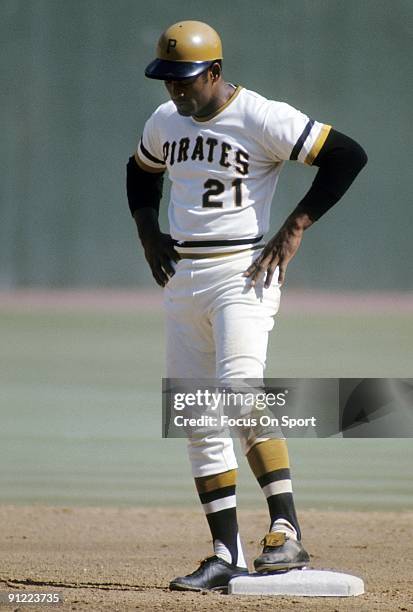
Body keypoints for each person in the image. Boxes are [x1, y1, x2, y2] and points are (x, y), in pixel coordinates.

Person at [126, 20, 367, 592]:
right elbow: (138, 176)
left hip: (244, 273)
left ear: (214, 71)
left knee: (239, 390)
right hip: (184, 278)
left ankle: (287, 531)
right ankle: (224, 553)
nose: (176, 90)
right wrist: (147, 232)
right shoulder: (165, 121)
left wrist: (296, 225)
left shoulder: (260, 115)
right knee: (196, 417)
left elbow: (347, 156)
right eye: (168, 79)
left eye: (185, 79)